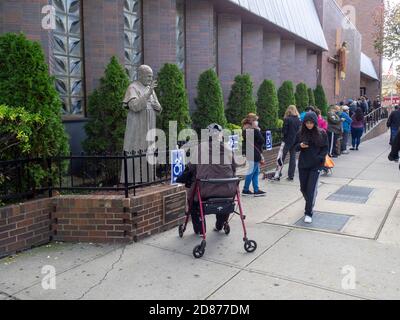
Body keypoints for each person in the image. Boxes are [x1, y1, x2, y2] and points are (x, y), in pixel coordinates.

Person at [179, 124, 237, 236]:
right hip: (228, 189)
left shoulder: (200, 148)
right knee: (224, 199)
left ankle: (201, 229)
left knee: (193, 199)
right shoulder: (228, 148)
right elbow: (234, 167)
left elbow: (191, 167)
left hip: (205, 189)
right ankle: (220, 224)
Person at [295, 112, 329, 224]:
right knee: (303, 188)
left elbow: (325, 149)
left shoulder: (322, 133)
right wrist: (300, 146)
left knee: (310, 190)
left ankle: (308, 212)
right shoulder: (300, 133)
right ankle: (310, 200)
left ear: (315, 122)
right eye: (307, 123)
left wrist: (319, 158)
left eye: (311, 123)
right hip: (303, 165)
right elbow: (294, 147)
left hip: (316, 166)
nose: (309, 125)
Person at [272, 105, 301, 182]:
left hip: (287, 141)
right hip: (295, 141)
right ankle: (291, 176)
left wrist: (283, 135)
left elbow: (284, 131)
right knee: (293, 158)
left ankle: (277, 175)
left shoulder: (287, 119)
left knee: (281, 157)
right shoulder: (298, 120)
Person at [242, 113, 266, 197]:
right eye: (256, 120)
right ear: (252, 121)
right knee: (251, 172)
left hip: (249, 152)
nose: (257, 122)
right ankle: (245, 189)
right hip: (255, 154)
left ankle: (256, 189)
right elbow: (262, 140)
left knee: (255, 172)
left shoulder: (245, 129)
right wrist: (257, 130)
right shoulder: (254, 130)